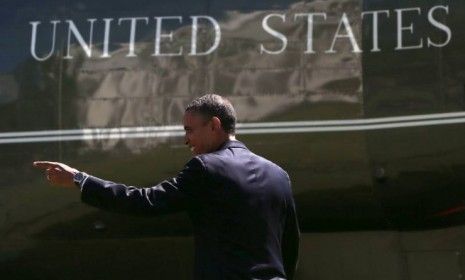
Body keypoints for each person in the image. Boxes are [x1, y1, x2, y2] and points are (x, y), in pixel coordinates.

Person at [33, 94, 300, 280]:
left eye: (189, 130)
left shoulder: (206, 168)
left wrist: (80, 179)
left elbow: (145, 201)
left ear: (215, 125)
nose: (186, 140)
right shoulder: (279, 175)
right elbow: (289, 244)